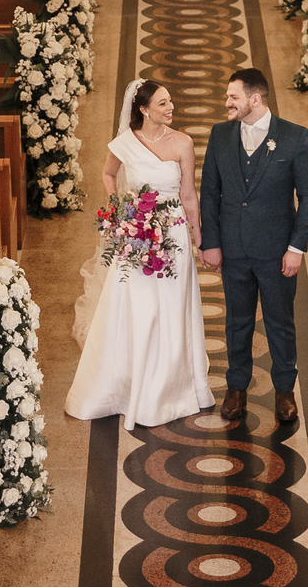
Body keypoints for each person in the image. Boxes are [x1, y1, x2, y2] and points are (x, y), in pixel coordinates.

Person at [65, 78, 213, 430]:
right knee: (141, 309)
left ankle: (171, 387)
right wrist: (121, 209)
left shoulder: (183, 143)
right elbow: (108, 173)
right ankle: (131, 383)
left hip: (174, 233)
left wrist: (198, 238)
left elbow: (188, 194)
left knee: (173, 308)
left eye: (170, 100)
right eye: (163, 103)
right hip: (137, 235)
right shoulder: (124, 143)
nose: (171, 107)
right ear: (144, 109)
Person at [199, 67, 308, 424]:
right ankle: (236, 389)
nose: (227, 102)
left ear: (255, 99)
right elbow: (209, 193)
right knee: (237, 323)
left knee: (280, 323)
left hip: (277, 252)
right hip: (233, 249)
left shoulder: (295, 137)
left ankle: (284, 391)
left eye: (233, 96)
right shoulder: (220, 135)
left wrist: (296, 248)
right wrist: (211, 242)